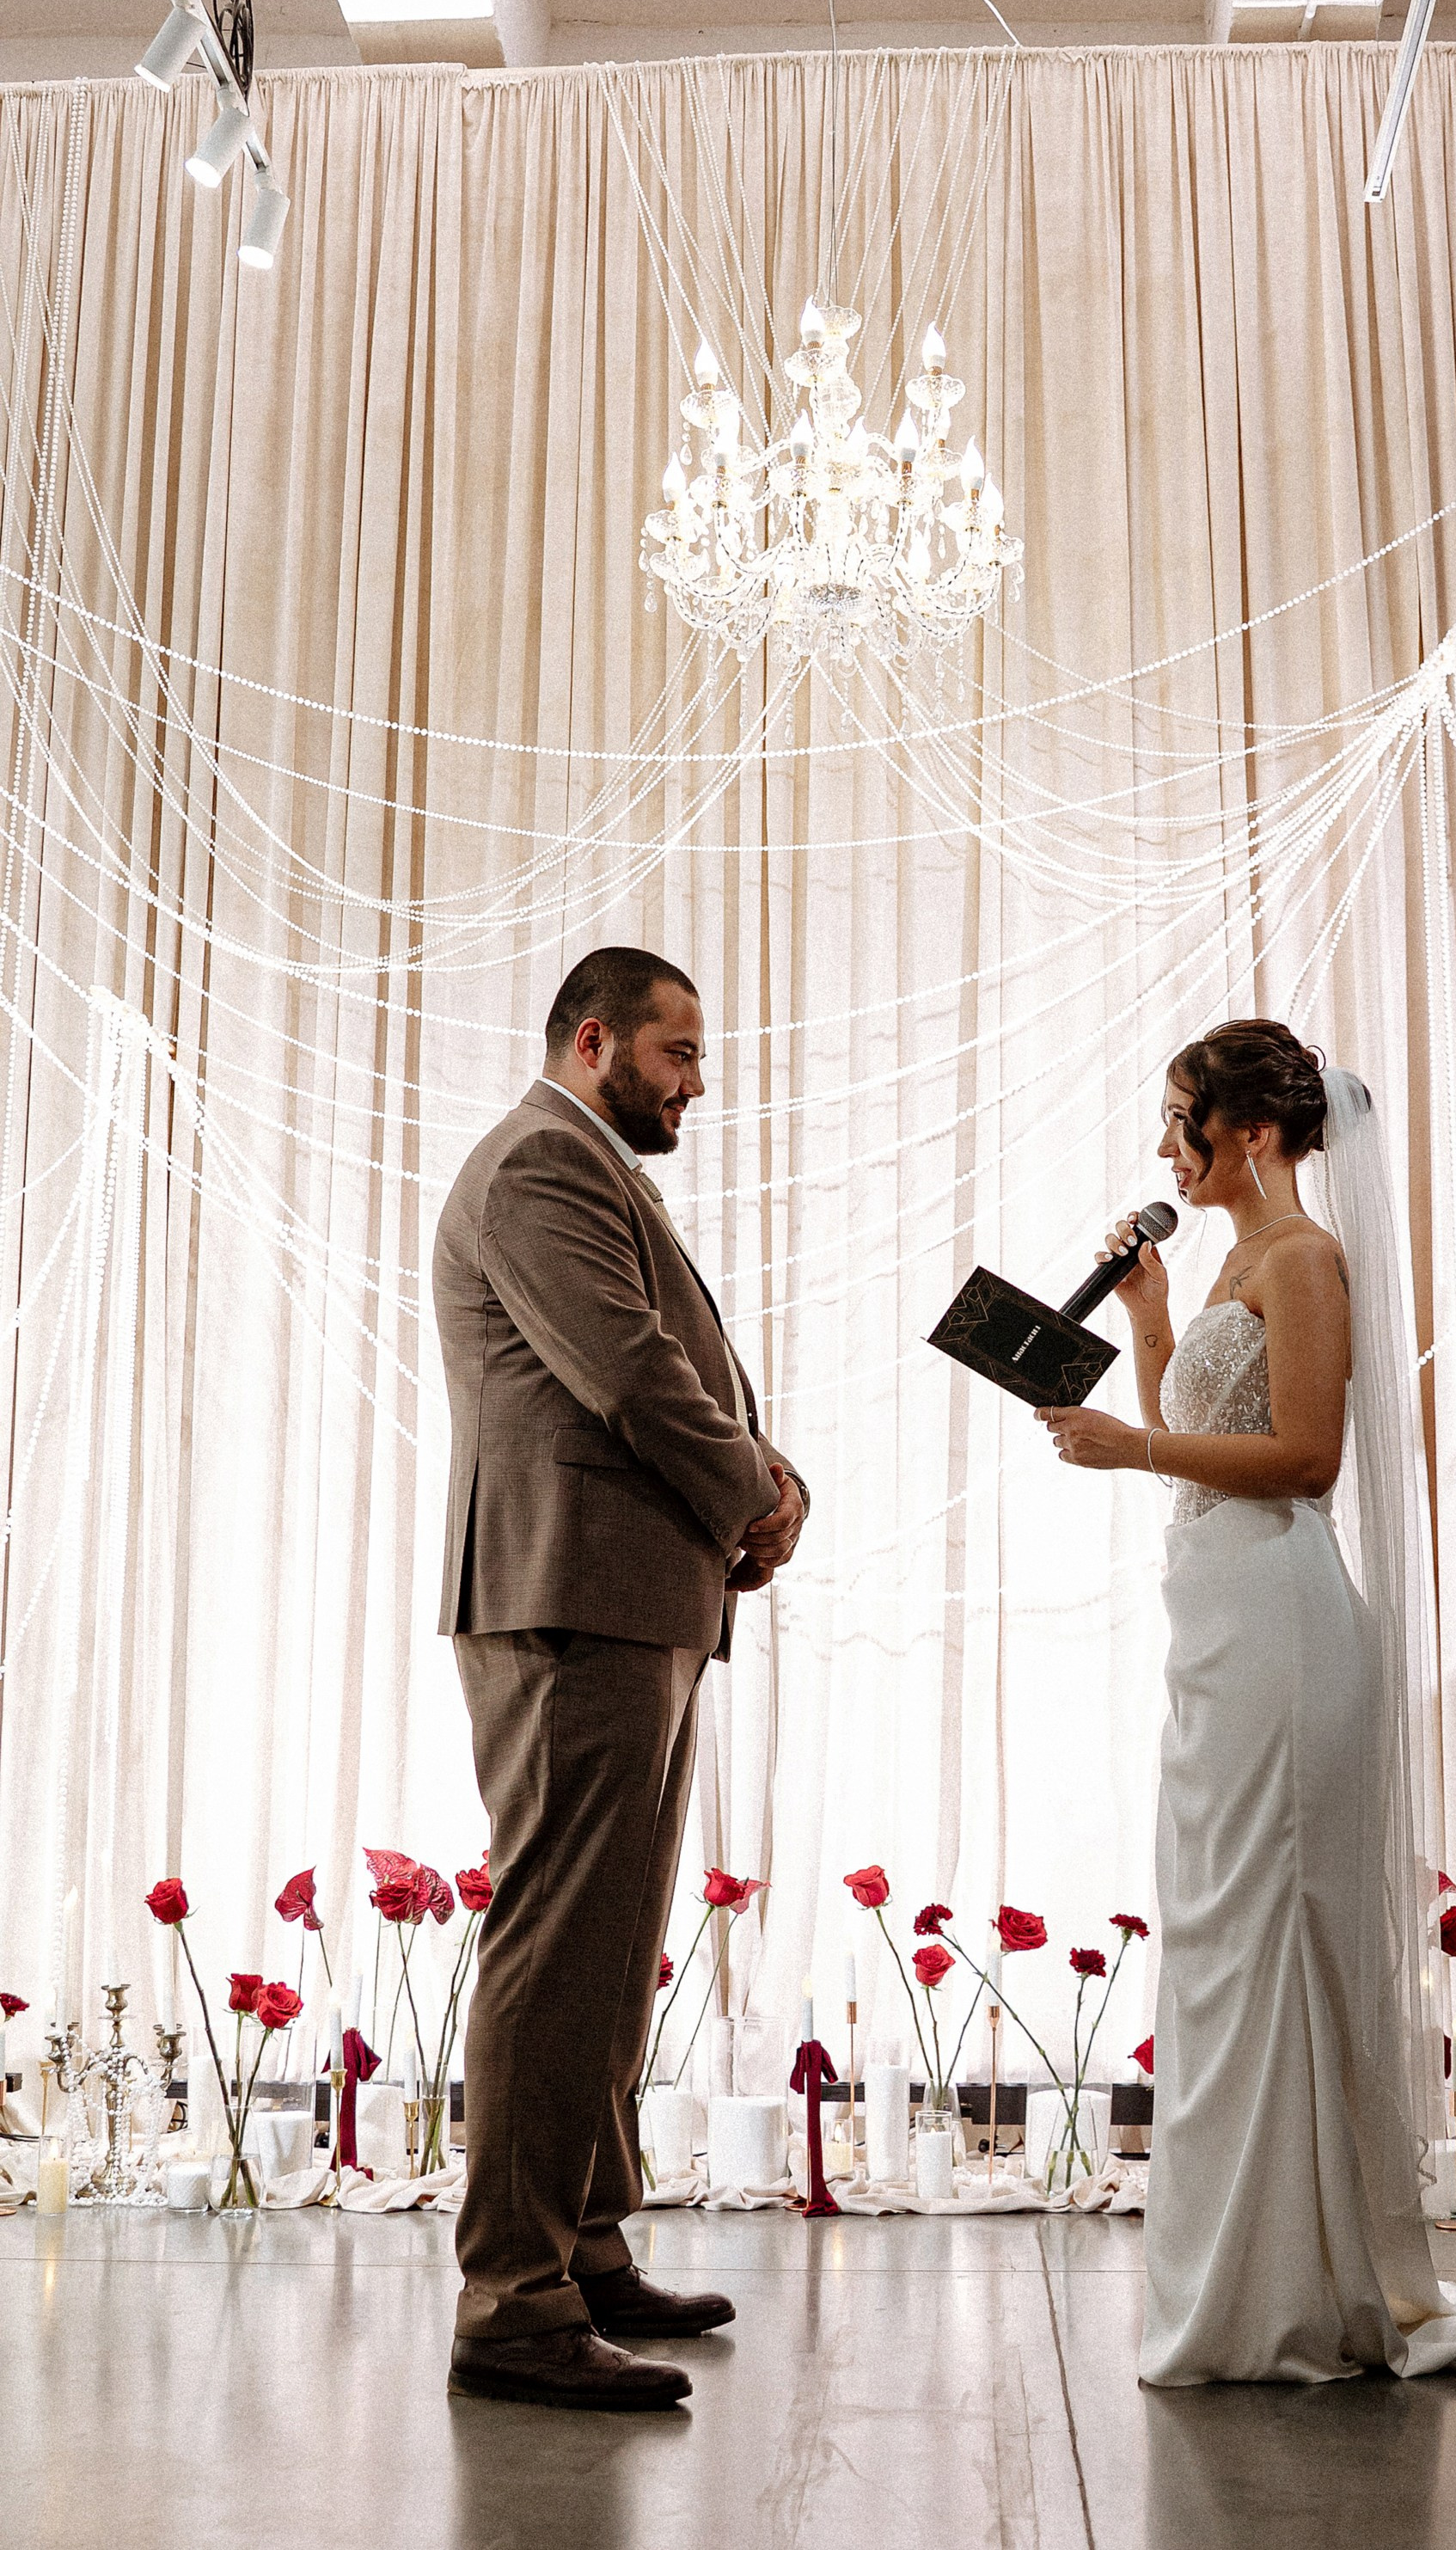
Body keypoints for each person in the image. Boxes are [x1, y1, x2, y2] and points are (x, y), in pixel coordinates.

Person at [1038, 1019, 1456, 2383]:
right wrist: (1153, 1319)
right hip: (1217, 1624)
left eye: (1182, 1122)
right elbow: (1207, 1441)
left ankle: (1285, 2290)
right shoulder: (1231, 1261)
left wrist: (1125, 1446)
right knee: (1221, 1939)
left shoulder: (1306, 1258)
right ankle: (1250, 2269)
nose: (1164, 1147)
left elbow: (1302, 1457)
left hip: (1284, 1622)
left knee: (1273, 1931)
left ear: (1256, 1134)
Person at [433, 946, 808, 2412]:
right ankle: (513, 2304)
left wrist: (751, 1492)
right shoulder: (539, 1164)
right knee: (554, 1943)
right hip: (567, 1598)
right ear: (596, 1041)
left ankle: (582, 2247)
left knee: (609, 1942)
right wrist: (756, 1496)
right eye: (680, 1055)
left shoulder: (586, 1164)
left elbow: (664, 1372)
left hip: (629, 1594)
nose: (697, 1084)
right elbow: (632, 1369)